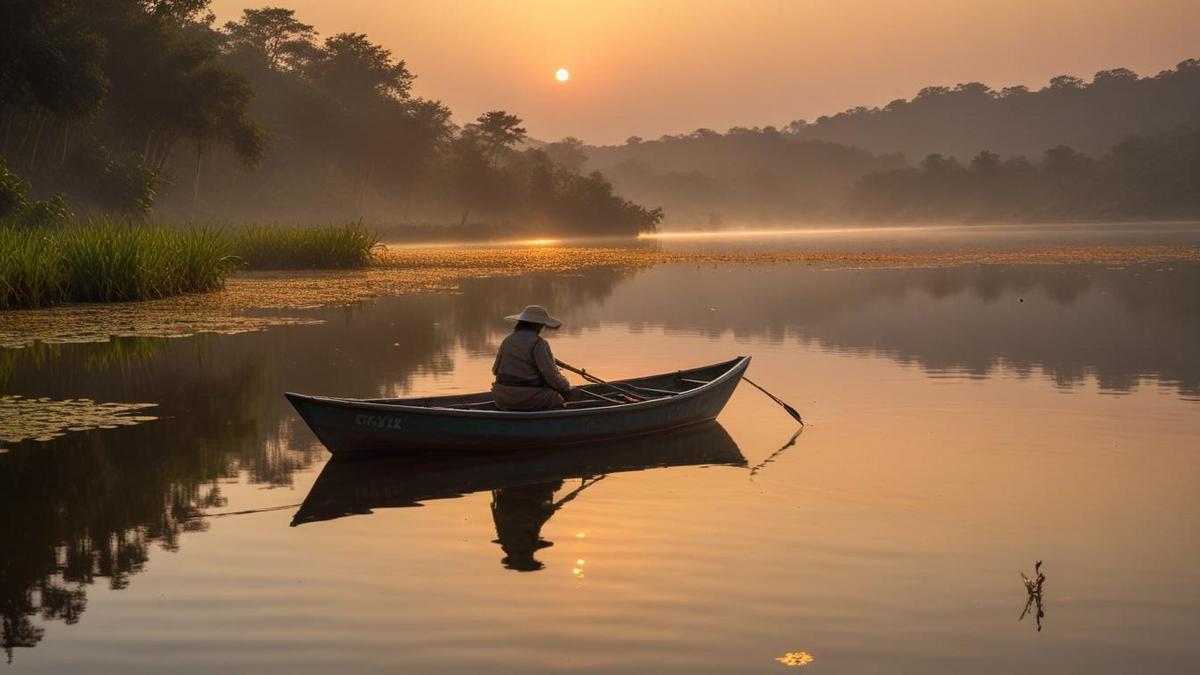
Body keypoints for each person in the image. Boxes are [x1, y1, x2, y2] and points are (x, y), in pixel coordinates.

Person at [491, 305, 572, 411]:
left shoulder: (507, 340)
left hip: (501, 397)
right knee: (556, 398)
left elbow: (495, 370)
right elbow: (552, 378)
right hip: (526, 398)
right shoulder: (539, 343)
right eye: (542, 325)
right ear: (537, 325)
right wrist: (568, 388)